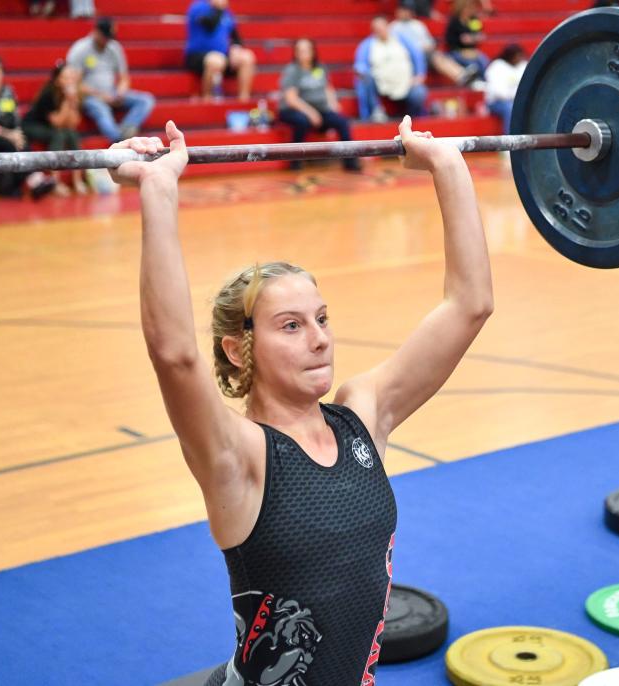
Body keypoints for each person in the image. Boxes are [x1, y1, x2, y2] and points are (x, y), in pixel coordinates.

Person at [108, 114, 492, 686]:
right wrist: (158, 189)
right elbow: (174, 354)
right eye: (290, 326)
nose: (319, 338)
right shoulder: (238, 457)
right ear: (239, 351)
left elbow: (470, 305)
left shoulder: (363, 415)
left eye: (321, 318)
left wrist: (446, 164)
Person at [0, 55, 55, 199]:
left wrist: (16, 132)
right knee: (10, 145)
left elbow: (14, 116)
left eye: (0, 70)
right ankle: (29, 181)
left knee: (22, 140)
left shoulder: (7, 91)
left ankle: (28, 182)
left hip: (7, 131)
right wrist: (9, 134)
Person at [66, 17, 155, 143]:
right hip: (90, 96)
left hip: (112, 92)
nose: (107, 41)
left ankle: (127, 129)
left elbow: (124, 77)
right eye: (105, 37)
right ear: (96, 32)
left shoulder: (114, 47)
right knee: (101, 108)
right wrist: (101, 96)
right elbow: (74, 83)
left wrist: (121, 91)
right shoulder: (81, 49)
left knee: (146, 100)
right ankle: (119, 139)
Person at [278, 39, 361, 172]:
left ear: (313, 52)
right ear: (295, 53)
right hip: (293, 110)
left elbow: (328, 88)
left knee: (342, 122)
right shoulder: (292, 70)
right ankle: (294, 160)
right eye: (299, 50)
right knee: (302, 121)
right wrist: (310, 113)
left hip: (320, 110)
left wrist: (333, 105)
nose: (302, 53)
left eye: (306, 50)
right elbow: (291, 99)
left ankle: (351, 162)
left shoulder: (320, 67)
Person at [22, 61, 90, 196]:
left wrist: (73, 102)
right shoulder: (48, 94)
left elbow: (73, 123)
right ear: (58, 81)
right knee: (58, 135)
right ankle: (55, 182)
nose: (70, 80)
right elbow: (57, 122)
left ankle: (77, 181)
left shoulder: (76, 94)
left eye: (71, 76)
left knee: (72, 134)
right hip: (32, 125)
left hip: (51, 126)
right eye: (66, 77)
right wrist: (67, 100)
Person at [354, 17, 428, 121]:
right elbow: (360, 65)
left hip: (406, 82)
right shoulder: (367, 45)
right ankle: (376, 111)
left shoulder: (402, 39)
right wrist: (362, 71)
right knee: (365, 80)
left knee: (419, 93)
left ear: (388, 27)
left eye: (382, 28)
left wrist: (420, 74)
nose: (381, 31)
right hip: (380, 84)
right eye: (377, 30)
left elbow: (417, 55)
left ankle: (412, 118)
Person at [392, 1, 480, 87]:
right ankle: (462, 75)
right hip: (408, 56)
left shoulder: (418, 25)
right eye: (403, 10)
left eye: (408, 10)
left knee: (439, 56)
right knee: (437, 57)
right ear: (398, 12)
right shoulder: (394, 27)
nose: (406, 13)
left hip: (426, 54)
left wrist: (429, 46)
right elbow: (394, 46)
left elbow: (429, 41)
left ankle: (463, 75)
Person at [185, 0, 256, 101]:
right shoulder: (198, 7)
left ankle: (244, 99)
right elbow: (210, 25)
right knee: (216, 61)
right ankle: (207, 98)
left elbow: (236, 37)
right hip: (198, 55)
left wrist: (236, 48)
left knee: (247, 57)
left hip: (222, 55)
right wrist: (218, 8)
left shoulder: (227, 13)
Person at [484, 44, 527, 131]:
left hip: (518, 100)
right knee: (510, 108)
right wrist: (517, 95)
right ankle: (510, 137)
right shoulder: (496, 67)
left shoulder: (524, 65)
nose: (519, 59)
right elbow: (499, 93)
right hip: (496, 102)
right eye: (516, 56)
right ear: (509, 56)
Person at [445, 0, 490, 80]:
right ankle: (475, 82)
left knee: (483, 61)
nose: (471, 10)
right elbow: (457, 41)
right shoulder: (455, 22)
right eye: (468, 8)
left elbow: (479, 35)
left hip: (472, 51)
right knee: (472, 65)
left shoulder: (474, 20)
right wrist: (471, 39)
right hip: (456, 52)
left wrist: (471, 39)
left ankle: (484, 81)